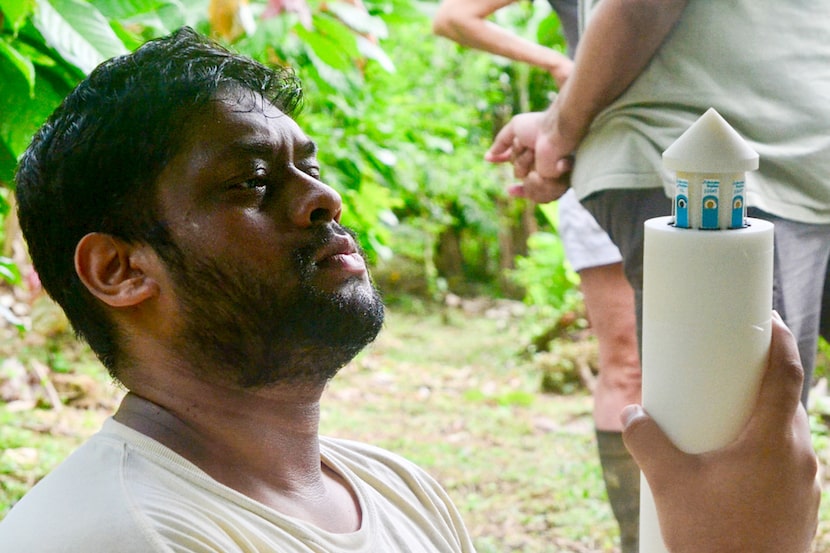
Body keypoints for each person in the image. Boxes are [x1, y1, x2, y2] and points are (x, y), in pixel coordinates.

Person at [0, 27, 820, 553]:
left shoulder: (392, 486)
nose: (324, 199)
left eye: (310, 167)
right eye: (251, 181)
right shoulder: (115, 535)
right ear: (119, 269)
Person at [485, 0, 830, 408]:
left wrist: (557, 132)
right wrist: (556, 126)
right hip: (802, 152)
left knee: (725, 436)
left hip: (711, 162)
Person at [433, 1, 641, 550]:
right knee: (629, 359)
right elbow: (453, 16)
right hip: (595, 147)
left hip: (721, 153)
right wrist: (558, 66)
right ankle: (639, 538)